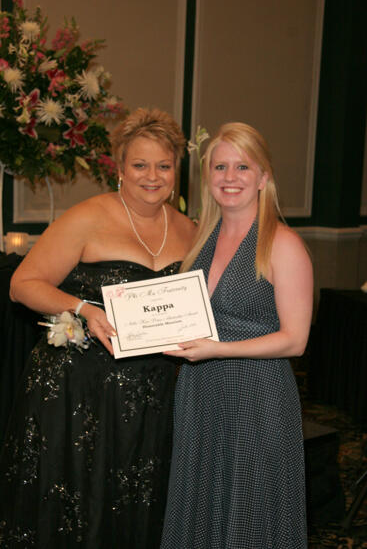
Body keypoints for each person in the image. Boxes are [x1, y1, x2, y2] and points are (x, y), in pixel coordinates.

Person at [0, 107, 196, 548]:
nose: (152, 176)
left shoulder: (190, 231)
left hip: (152, 394)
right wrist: (84, 308)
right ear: (120, 167)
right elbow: (22, 285)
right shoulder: (88, 216)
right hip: (79, 388)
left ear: (176, 171)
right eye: (140, 165)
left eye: (163, 166)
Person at [160, 122, 313, 549]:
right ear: (207, 177)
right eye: (220, 167)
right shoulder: (200, 241)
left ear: (264, 177)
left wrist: (217, 349)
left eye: (243, 167)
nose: (230, 178)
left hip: (257, 397)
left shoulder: (282, 244)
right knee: (202, 504)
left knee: (250, 511)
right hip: (199, 392)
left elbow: (295, 339)